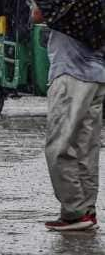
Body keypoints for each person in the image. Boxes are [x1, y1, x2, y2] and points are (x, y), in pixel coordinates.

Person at [42, 27, 105, 231]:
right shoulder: (94, 0)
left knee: (58, 146)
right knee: (85, 147)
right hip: (96, 75)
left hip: (70, 73)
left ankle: (75, 211)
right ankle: (87, 210)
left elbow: (37, 16)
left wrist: (36, 9)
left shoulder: (65, 0)